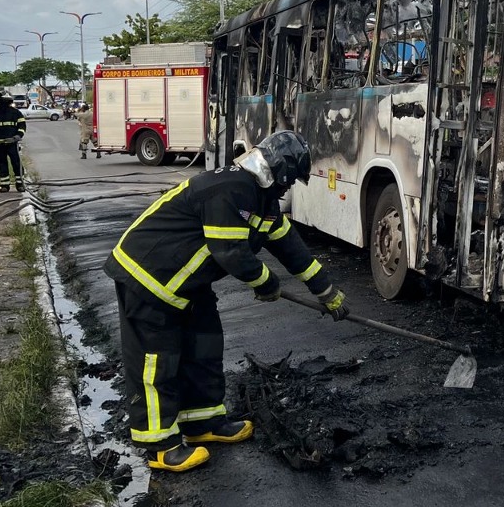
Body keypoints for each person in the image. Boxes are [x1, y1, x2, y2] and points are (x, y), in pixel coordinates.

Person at [104, 130, 350, 473]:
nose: (289, 187)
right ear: (280, 173)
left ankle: (202, 423)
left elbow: (290, 247)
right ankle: (159, 446)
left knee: (204, 346)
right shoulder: (231, 189)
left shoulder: (262, 200)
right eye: (291, 180)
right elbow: (231, 253)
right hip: (149, 278)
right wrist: (267, 284)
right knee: (156, 362)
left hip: (189, 285)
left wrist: (326, 291)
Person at [0, 92, 26, 193]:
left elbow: (22, 126)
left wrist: (18, 136)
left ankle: (19, 184)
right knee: (4, 164)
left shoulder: (15, 113)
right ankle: (5, 185)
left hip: (11, 143)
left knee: (14, 163)